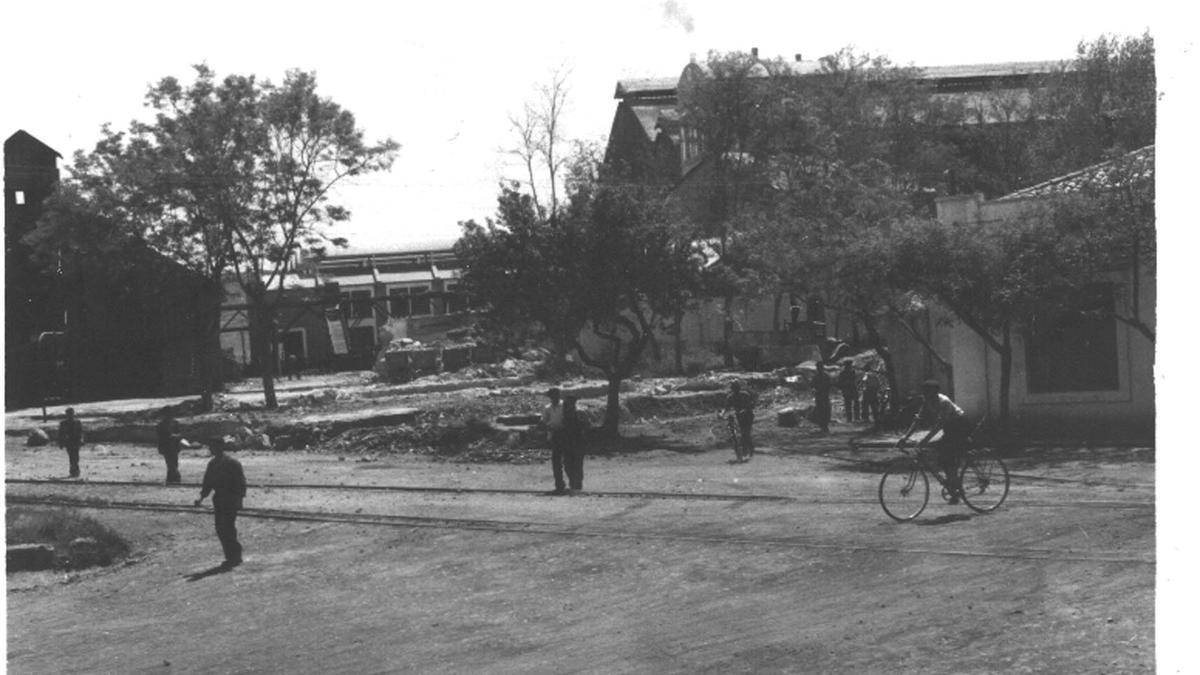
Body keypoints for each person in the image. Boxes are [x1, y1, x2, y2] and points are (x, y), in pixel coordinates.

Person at [898, 379, 972, 504]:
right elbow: (918, 420)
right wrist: (905, 437)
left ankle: (955, 488)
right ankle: (953, 485)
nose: (925, 395)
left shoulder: (943, 402)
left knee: (949, 457)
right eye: (924, 392)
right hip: (949, 427)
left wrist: (925, 440)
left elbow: (939, 425)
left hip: (960, 425)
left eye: (927, 392)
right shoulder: (927, 402)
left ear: (934, 393)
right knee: (942, 457)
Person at [194, 437, 247, 567]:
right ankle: (230, 556)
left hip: (230, 499)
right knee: (220, 528)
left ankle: (235, 556)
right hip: (219, 499)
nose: (212, 449)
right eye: (211, 447)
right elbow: (207, 483)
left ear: (221, 447)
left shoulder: (232, 463)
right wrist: (201, 497)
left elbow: (241, 483)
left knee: (228, 527)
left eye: (214, 447)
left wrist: (239, 499)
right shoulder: (212, 464)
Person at [541, 388, 568, 495]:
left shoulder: (565, 406)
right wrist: (546, 427)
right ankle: (559, 484)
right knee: (556, 462)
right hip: (554, 435)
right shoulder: (547, 408)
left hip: (565, 434)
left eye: (555, 395)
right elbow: (543, 421)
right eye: (552, 396)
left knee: (568, 461)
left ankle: (572, 484)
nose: (554, 398)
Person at [724, 380, 755, 461]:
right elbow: (727, 407)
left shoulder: (745, 395)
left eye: (736, 388)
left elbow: (749, 405)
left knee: (746, 433)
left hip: (748, 416)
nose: (735, 390)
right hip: (739, 417)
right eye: (734, 388)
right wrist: (723, 413)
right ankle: (743, 450)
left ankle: (749, 449)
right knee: (740, 432)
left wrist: (744, 410)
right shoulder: (730, 397)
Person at [561, 395, 585, 492]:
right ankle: (572, 481)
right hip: (567, 441)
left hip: (578, 441)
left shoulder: (580, 413)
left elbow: (587, 425)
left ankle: (577, 484)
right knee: (567, 464)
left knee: (577, 464)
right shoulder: (563, 414)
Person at [156, 407, 183, 484]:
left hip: (174, 446)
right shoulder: (161, 425)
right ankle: (176, 477)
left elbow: (180, 434)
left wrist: (175, 436)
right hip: (167, 447)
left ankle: (171, 479)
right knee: (170, 463)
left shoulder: (175, 423)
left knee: (174, 462)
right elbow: (160, 437)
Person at [57, 407, 84, 478]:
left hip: (76, 441)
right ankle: (74, 471)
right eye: (69, 413)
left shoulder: (77, 422)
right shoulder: (63, 423)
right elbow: (60, 434)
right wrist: (61, 443)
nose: (70, 415)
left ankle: (74, 470)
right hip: (69, 442)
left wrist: (81, 439)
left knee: (76, 457)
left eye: (71, 413)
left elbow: (81, 432)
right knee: (72, 456)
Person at [811, 365, 832, 433]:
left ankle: (825, 425)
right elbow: (812, 385)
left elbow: (829, 384)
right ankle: (822, 425)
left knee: (825, 410)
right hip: (819, 395)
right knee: (820, 410)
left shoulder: (825, 376)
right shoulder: (816, 377)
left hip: (824, 395)